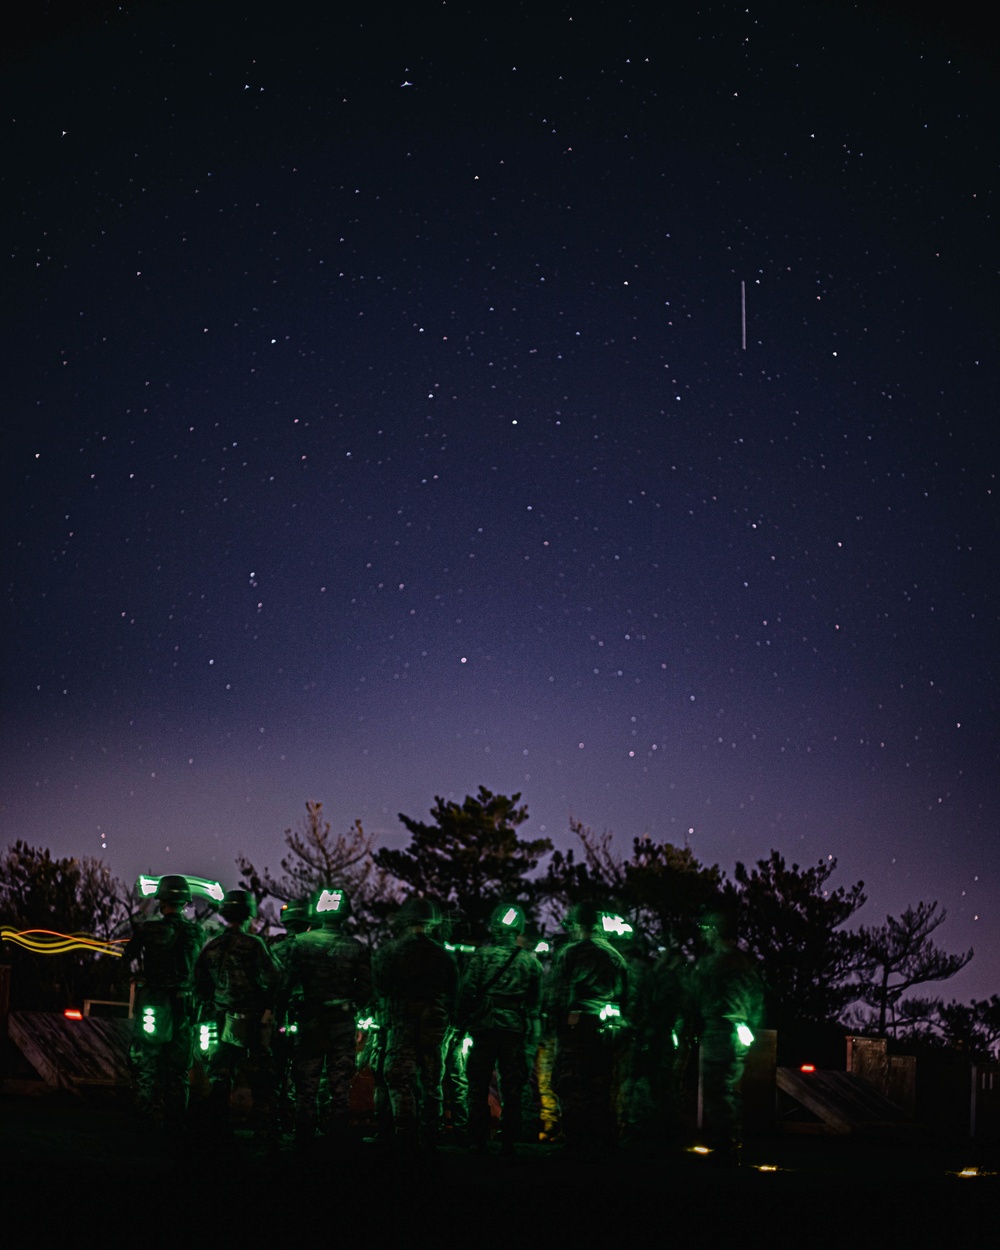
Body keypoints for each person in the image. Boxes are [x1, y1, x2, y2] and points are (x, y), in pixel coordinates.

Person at [279, 885, 371, 1145]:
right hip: (342, 1023)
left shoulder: (300, 944)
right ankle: (337, 1138)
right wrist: (350, 1005)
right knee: (339, 1085)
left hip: (310, 1021)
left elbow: (285, 984)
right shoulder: (356, 947)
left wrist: (284, 1010)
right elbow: (366, 989)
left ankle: (304, 1137)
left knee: (306, 1084)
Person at [193, 889, 280, 1148]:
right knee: (262, 1078)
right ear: (248, 914)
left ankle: (216, 1132)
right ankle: (264, 1132)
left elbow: (199, 983)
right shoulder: (254, 945)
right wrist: (268, 1008)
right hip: (249, 1022)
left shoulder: (212, 946)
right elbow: (273, 978)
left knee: (220, 1078)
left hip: (218, 1020)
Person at [372, 897, 458, 1150]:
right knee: (432, 1081)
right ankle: (432, 1133)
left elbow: (381, 987)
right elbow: (454, 992)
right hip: (433, 1024)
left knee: (399, 1078)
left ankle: (405, 1133)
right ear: (433, 922)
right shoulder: (443, 954)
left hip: (401, 1023)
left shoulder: (390, 951)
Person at [546, 900, 629, 1155]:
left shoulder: (571, 953)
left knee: (571, 1085)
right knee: (602, 1086)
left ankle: (575, 1143)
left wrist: (555, 1023)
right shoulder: (616, 956)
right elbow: (625, 997)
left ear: (578, 926)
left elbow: (557, 994)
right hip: (607, 1029)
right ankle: (604, 1142)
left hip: (576, 1028)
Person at [459, 903, 543, 1156]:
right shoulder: (530, 962)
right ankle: (510, 1139)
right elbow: (536, 1003)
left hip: (484, 1027)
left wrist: (462, 1021)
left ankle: (478, 1137)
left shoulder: (481, 957)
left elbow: (466, 991)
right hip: (514, 1030)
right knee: (512, 1086)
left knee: (478, 1084)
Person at [123, 874, 203, 1137]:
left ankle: (142, 1123)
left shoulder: (147, 929)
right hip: (183, 1006)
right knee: (179, 1071)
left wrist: (140, 975)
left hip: (153, 1004)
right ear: (185, 902)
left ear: (161, 900)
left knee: (146, 1066)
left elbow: (128, 959)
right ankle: (175, 1127)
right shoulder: (196, 931)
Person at [689, 906, 763, 1167]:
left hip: (719, 1029)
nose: (704, 936)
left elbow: (696, 995)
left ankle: (725, 1149)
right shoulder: (746, 962)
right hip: (740, 1030)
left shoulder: (712, 963)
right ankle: (733, 1143)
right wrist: (749, 1025)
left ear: (716, 932)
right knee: (730, 1087)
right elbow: (758, 997)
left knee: (716, 1090)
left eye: (708, 930)